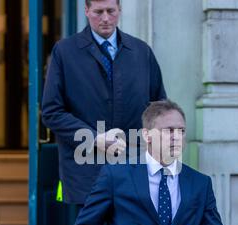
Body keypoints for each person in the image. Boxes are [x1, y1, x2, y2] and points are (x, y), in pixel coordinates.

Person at [71, 100, 228, 225]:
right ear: (147, 135)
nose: (176, 137)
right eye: (168, 130)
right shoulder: (115, 175)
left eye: (181, 131)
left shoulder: (200, 183)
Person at [42, 0, 166, 207]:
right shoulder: (65, 52)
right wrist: (94, 138)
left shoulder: (141, 51)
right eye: (98, 12)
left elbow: (159, 108)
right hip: (85, 171)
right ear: (87, 11)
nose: (106, 18)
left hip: (135, 167)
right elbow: (51, 111)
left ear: (120, 10)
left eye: (111, 11)